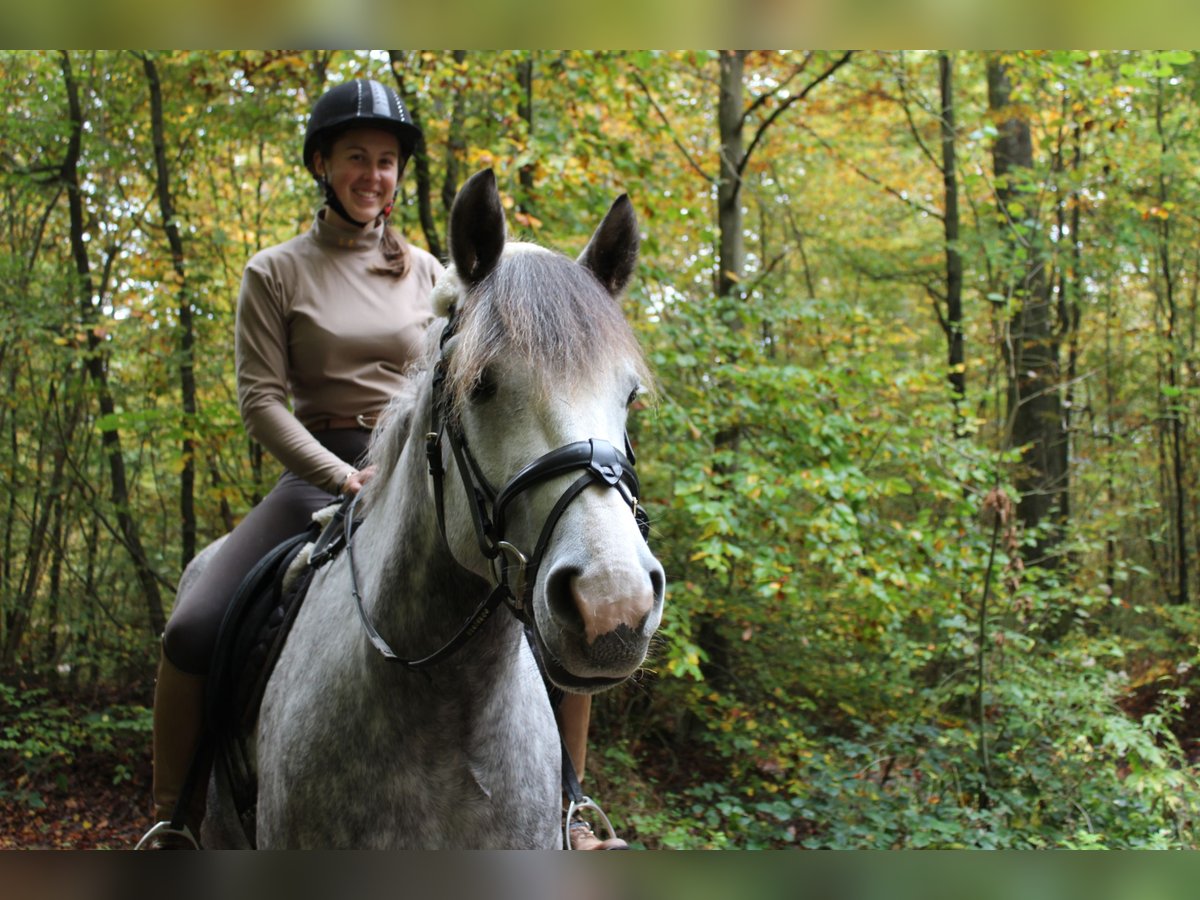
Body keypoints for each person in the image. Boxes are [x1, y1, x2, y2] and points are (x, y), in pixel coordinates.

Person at [138, 78, 623, 850]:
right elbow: (261, 399)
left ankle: (570, 809)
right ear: (323, 164)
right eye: (357, 157)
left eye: (388, 161)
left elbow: (471, 392)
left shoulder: (440, 276)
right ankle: (173, 822)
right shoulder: (275, 271)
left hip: (424, 476)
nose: (374, 174)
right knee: (196, 626)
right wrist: (337, 476)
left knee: (541, 605)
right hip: (320, 467)